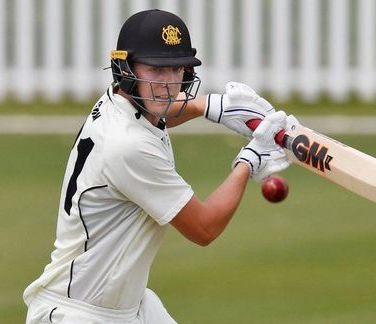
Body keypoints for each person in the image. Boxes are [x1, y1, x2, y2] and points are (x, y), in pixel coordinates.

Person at [24, 9, 294, 323]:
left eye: (176, 69)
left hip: (126, 307)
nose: (167, 84)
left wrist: (212, 106)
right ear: (124, 69)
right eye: (155, 69)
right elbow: (204, 228)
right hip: (80, 315)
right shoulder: (128, 147)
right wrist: (250, 160)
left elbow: (160, 109)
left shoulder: (120, 103)